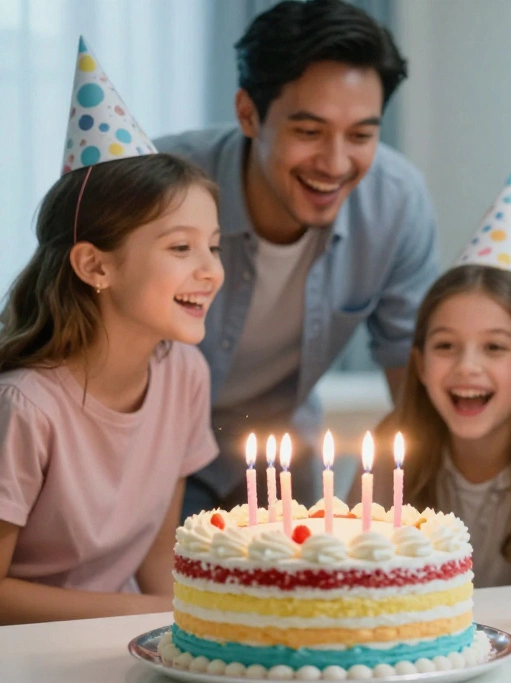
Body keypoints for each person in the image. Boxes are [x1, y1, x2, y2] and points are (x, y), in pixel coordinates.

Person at [154, 0, 439, 518]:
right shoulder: (159, 189)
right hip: (148, 459)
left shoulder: (396, 204)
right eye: (308, 132)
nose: (334, 163)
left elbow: (413, 377)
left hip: (280, 463)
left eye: (361, 135)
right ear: (248, 113)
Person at [0, 41, 223, 622]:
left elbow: (154, 554)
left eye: (214, 246)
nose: (211, 270)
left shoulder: (185, 375)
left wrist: (205, 623)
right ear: (95, 266)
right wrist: (146, 615)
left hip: (113, 641)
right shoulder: (25, 406)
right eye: (181, 247)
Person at [359, 169, 511, 587]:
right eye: (446, 346)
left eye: (494, 348)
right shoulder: (392, 448)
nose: (467, 366)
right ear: (418, 364)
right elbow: (352, 573)